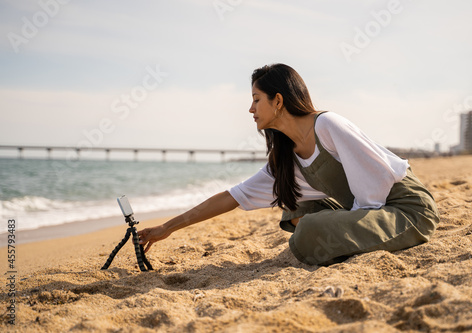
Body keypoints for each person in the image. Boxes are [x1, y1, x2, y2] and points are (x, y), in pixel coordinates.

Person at [138, 63, 440, 266]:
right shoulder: (286, 157)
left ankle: (337, 237)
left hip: (406, 208)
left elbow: (377, 182)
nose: (250, 109)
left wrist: (346, 223)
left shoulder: (327, 125)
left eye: (257, 100)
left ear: (278, 101)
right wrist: (167, 227)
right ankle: (338, 235)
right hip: (368, 211)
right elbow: (233, 197)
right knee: (294, 206)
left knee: (308, 231)